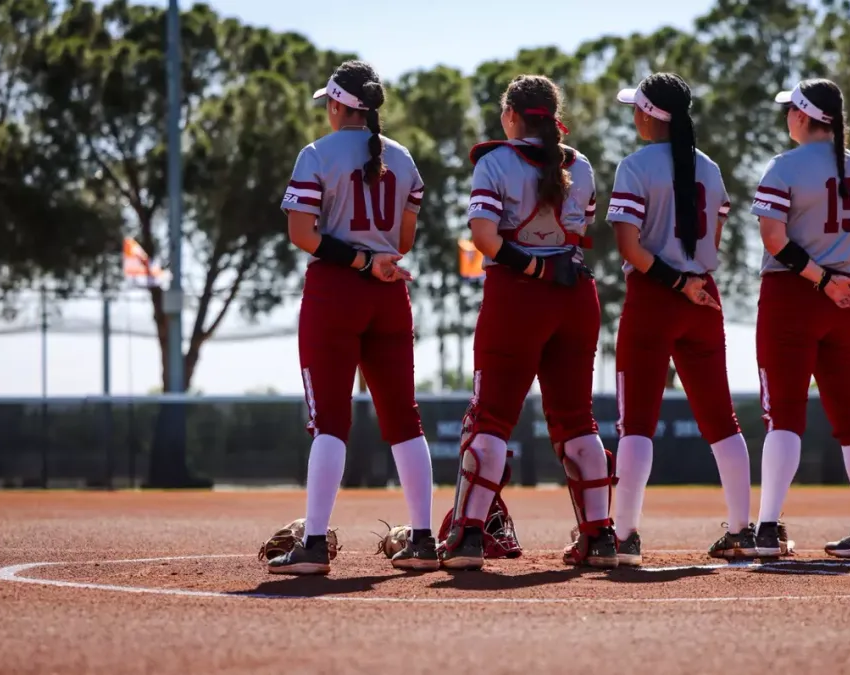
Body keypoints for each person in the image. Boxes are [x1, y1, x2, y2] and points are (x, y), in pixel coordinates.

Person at [438, 74, 618, 571]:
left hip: (518, 296)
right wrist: (550, 265)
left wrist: (534, 268)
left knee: (491, 417)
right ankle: (600, 537)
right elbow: (579, 232)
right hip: (576, 297)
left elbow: (484, 238)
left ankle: (468, 535)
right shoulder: (579, 165)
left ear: (512, 115)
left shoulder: (494, 162)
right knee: (577, 420)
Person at [269, 60, 437, 574]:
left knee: (330, 423)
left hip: (335, 292)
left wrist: (358, 259)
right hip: (389, 293)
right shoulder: (404, 159)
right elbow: (403, 242)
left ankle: (315, 544)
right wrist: (375, 258)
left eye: (329, 104)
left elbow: (302, 234)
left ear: (340, 105)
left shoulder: (316, 154)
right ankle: (424, 539)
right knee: (404, 419)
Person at [606, 73, 756, 567]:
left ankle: (624, 536)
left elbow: (630, 247)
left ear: (651, 114)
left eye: (637, 108)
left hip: (655, 295)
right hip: (702, 297)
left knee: (637, 425)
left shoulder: (634, 165)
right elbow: (715, 234)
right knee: (721, 419)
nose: (633, 115)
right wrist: (690, 281)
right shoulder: (709, 168)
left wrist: (673, 282)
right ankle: (741, 530)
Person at [752, 78, 850, 560]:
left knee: (784, 416)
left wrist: (817, 278)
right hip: (848, 295)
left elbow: (774, 238)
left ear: (805, 117)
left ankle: (767, 528)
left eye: (791, 109)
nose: (787, 116)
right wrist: (833, 281)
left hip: (795, 293)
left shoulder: (783, 166)